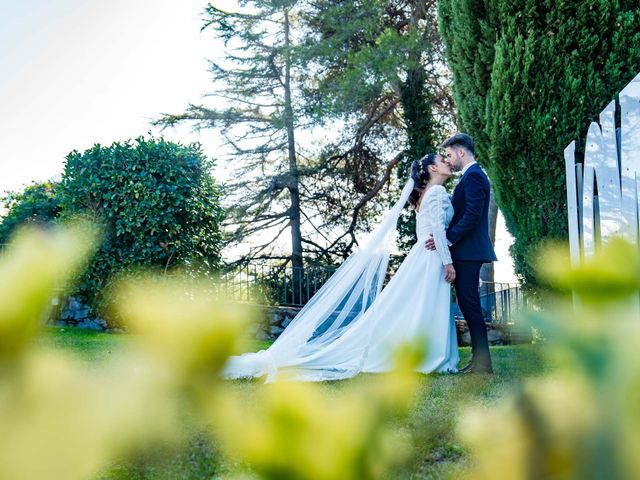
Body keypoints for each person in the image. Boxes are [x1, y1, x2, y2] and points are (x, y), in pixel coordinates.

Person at [224, 153, 459, 382]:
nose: (447, 162)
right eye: (442, 160)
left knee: (420, 305)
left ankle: (424, 354)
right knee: (426, 304)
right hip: (431, 257)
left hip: (423, 255)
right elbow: (437, 230)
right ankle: (431, 356)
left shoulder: (426, 194)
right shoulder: (437, 192)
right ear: (432, 169)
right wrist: (448, 261)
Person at [426, 133, 497, 374]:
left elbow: (473, 215)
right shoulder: (470, 177)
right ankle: (480, 360)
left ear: (461, 152)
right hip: (466, 251)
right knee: (468, 305)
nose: (448, 159)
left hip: (469, 252)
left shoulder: (475, 176)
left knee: (470, 305)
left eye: (449, 154)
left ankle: (483, 363)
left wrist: (447, 238)